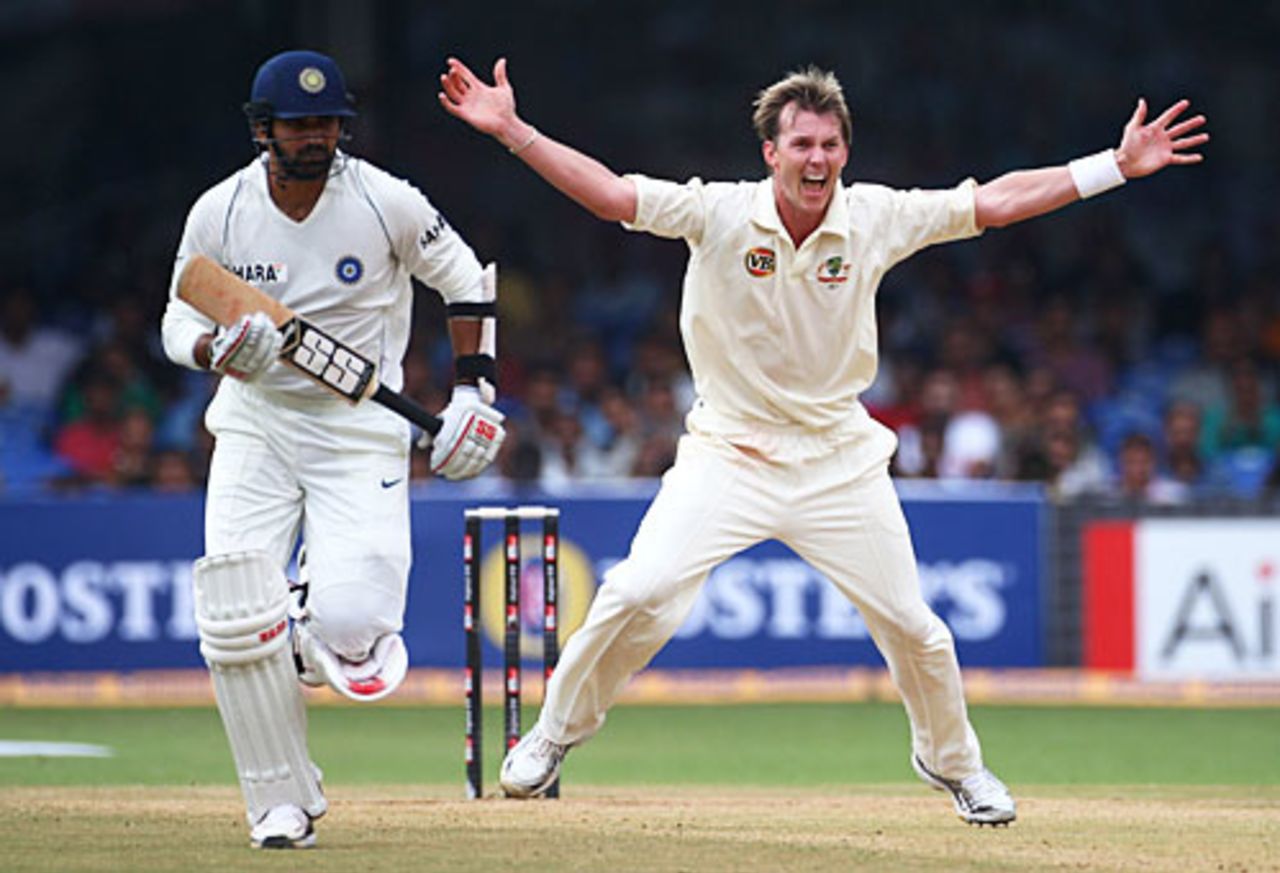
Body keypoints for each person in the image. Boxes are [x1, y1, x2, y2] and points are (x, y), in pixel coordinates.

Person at [439, 57, 1206, 825]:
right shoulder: (719, 213)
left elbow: (993, 204)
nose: (817, 159)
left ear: (846, 151)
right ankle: (553, 734)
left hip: (839, 458)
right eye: (801, 144)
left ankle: (955, 765)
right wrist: (512, 130)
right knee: (637, 592)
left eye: (830, 145)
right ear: (769, 152)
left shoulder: (873, 216)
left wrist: (1113, 166)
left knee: (916, 629)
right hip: (730, 452)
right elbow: (610, 196)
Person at [160, 50, 505, 849]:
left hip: (359, 426)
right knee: (236, 618)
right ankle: (279, 801)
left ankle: (314, 631)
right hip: (256, 420)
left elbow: (465, 279)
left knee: (356, 634)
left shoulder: (384, 201)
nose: (315, 137)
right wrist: (215, 353)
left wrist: (470, 393)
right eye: (298, 124)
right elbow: (179, 316)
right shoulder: (220, 211)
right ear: (263, 129)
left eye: (328, 124)